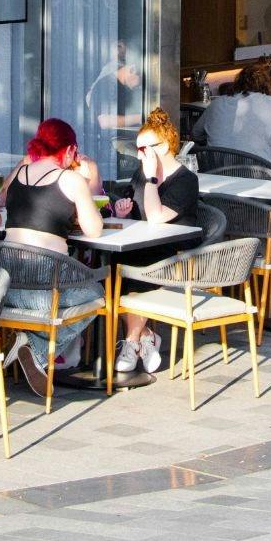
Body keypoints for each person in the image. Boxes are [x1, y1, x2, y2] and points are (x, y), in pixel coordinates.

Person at [0, 119, 104, 397]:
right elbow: (94, 229)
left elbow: (1, 200)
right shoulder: (69, 179)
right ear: (70, 150)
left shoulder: (20, 172)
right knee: (98, 295)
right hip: (46, 291)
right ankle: (34, 349)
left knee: (77, 293)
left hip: (7, 288)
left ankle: (28, 346)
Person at [112, 108, 200, 374]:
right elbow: (134, 208)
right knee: (118, 266)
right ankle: (145, 336)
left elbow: (156, 217)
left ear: (164, 147)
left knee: (135, 271)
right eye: (138, 150)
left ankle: (131, 341)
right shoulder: (141, 174)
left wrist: (151, 179)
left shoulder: (185, 180)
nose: (140, 155)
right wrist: (122, 210)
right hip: (141, 248)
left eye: (146, 149)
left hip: (174, 255)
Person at [192, 57, 271, 164]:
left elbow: (195, 134)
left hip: (218, 173)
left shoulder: (216, 104)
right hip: (260, 175)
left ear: (237, 82)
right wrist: (270, 140)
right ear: (266, 85)